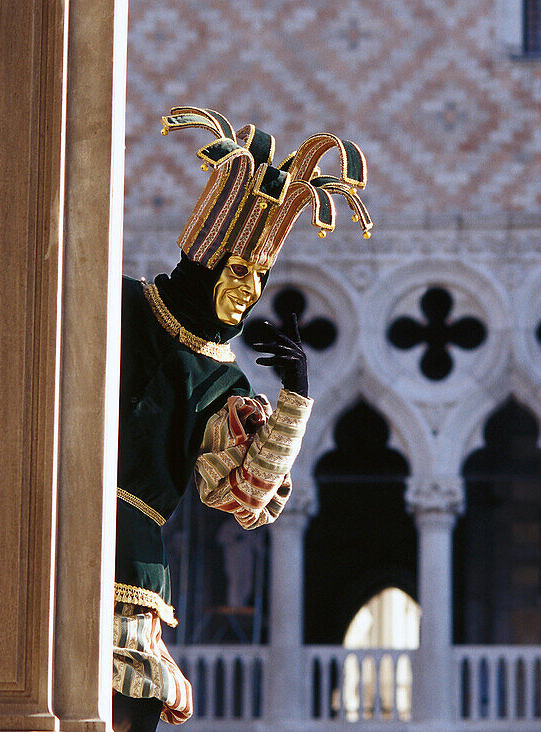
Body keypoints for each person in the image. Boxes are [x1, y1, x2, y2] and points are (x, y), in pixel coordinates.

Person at [111, 107, 371, 731]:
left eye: (257, 277)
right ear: (205, 261)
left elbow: (246, 496)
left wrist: (296, 398)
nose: (246, 289)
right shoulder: (122, 306)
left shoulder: (224, 382)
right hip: (53, 514)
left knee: (134, 700)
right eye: (236, 270)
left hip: (134, 557)